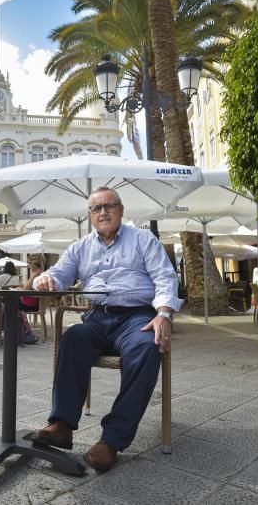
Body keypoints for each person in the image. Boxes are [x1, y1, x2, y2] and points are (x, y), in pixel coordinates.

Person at [29, 186, 179, 472]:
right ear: (89, 215)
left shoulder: (143, 239)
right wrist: (45, 279)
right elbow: (59, 274)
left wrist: (163, 314)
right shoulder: (80, 247)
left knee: (147, 348)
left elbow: (165, 278)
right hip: (97, 318)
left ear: (121, 210)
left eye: (109, 206)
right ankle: (62, 425)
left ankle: (112, 440)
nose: (103, 212)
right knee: (72, 338)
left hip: (137, 317)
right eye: (96, 208)